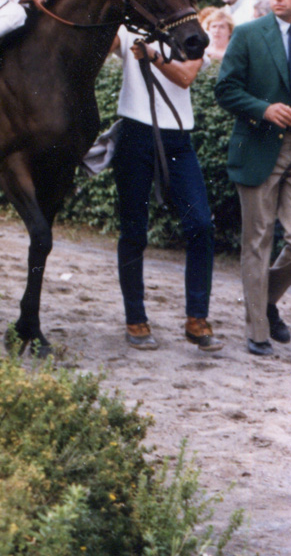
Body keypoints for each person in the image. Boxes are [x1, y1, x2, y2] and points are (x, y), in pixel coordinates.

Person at [215, 0, 291, 356]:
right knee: (256, 242)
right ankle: (256, 331)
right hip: (258, 149)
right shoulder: (250, 34)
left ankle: (265, 300)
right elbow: (225, 89)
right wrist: (263, 108)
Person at [109, 27, 222, 352]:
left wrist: (153, 55)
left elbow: (186, 76)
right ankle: (135, 317)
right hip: (135, 133)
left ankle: (196, 318)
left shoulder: (190, 33)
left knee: (201, 224)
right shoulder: (128, 28)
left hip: (177, 137)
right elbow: (103, 44)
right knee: (133, 229)